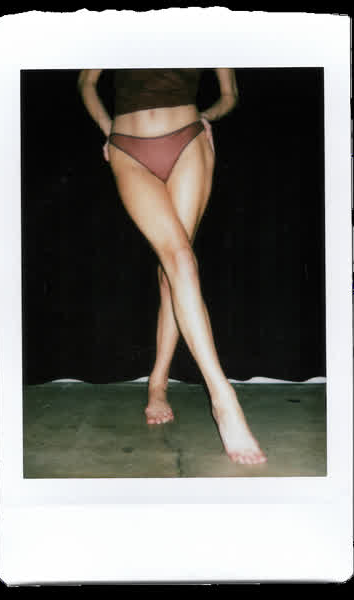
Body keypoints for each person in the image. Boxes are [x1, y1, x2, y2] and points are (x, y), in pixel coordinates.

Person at [78, 68, 266, 465]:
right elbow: (86, 82)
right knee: (176, 259)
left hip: (188, 141)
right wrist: (107, 129)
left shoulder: (209, 31)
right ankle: (210, 392)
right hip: (127, 146)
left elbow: (230, 94)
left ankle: (198, 393)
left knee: (177, 266)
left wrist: (208, 116)